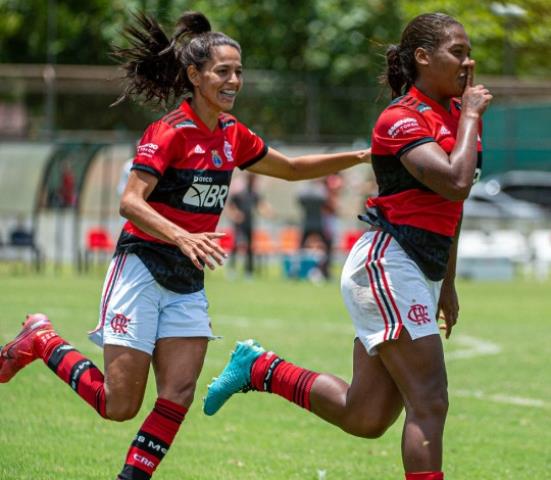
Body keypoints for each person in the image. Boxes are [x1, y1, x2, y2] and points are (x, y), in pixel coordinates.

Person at [0, 11, 369, 480]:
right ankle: (44, 341)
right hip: (141, 267)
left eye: (238, 71)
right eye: (223, 71)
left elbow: (293, 169)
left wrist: (359, 155)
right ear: (194, 76)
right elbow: (130, 203)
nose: (234, 80)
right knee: (119, 405)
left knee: (178, 392)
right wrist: (181, 235)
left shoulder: (233, 134)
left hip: (187, 279)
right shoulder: (170, 131)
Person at [204, 12, 492, 480]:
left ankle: (262, 370)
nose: (468, 62)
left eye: (467, 52)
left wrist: (448, 282)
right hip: (388, 263)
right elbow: (456, 183)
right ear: (423, 58)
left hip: (419, 270)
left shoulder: (458, 116)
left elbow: (450, 208)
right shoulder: (401, 118)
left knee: (367, 416)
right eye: (456, 52)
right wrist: (474, 116)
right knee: (430, 399)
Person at [225, 172, 272, 277]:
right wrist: (235, 215)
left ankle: (249, 271)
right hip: (239, 224)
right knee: (236, 246)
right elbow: (230, 207)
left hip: (249, 223)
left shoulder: (255, 194)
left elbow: (260, 206)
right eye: (251, 178)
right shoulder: (239, 193)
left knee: (250, 248)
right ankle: (232, 270)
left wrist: (267, 212)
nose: (253, 180)